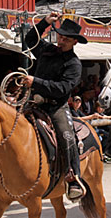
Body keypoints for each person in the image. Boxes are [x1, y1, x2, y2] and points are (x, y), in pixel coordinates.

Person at [22, 11, 86, 200]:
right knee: (4, 123)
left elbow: (62, 89)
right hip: (33, 102)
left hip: (56, 106)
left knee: (66, 135)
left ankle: (73, 177)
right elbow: (30, 38)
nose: (61, 41)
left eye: (66, 39)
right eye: (60, 36)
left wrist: (35, 82)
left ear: (75, 42)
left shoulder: (74, 64)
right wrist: (45, 22)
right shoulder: (46, 50)